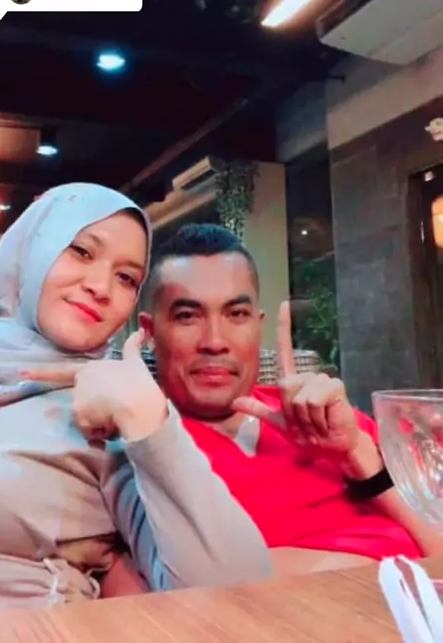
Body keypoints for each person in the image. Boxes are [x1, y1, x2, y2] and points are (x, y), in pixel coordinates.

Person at [0, 188, 270, 611]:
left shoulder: (107, 419)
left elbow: (239, 593)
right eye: (82, 252)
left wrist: (149, 423)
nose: (100, 287)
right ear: (32, 248)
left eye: (126, 278)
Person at [137, 223, 443, 577]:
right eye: (187, 316)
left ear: (258, 325)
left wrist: (357, 455)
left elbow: (438, 543)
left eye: (236, 315)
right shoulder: (146, 445)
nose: (215, 342)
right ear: (150, 332)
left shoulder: (321, 412)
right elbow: (198, 587)